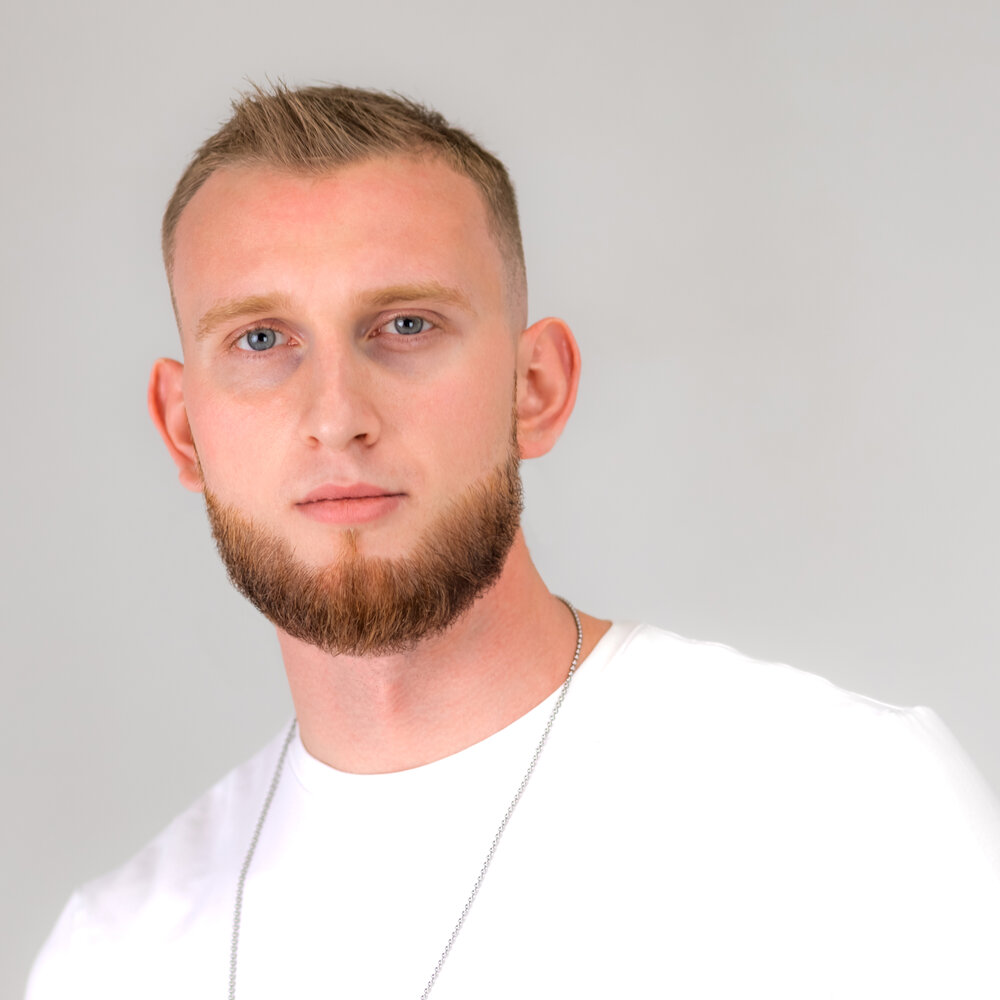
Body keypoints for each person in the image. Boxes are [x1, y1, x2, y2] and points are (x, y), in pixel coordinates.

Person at [26, 84, 1000, 999]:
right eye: (260, 340)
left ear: (537, 388)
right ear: (183, 428)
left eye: (406, 324)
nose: (336, 416)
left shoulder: (847, 809)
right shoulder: (111, 960)